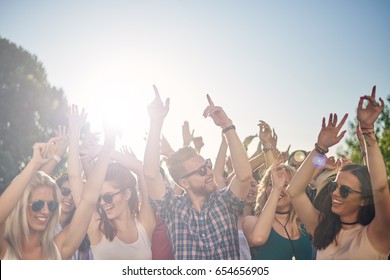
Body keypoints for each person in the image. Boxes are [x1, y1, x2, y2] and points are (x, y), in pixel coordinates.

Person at [143, 85, 252, 259]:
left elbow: (244, 176)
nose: (209, 171)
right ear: (184, 183)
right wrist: (156, 122)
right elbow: (150, 174)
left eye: (207, 165)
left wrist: (227, 125)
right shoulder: (172, 208)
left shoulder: (226, 201)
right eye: (202, 170)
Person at [287, 86, 390, 259]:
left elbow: (380, 188)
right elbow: (294, 192)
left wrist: (368, 132)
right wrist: (320, 148)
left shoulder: (379, 234)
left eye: (344, 190)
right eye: (335, 185)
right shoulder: (322, 226)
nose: (334, 192)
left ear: (364, 200)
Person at [0, 104, 114, 259]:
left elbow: (88, 200)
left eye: (52, 205)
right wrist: (35, 163)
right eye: (38, 204)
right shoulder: (6, 249)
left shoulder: (57, 251)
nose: (46, 211)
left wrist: (107, 143)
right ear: (22, 205)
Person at [243, 164, 312, 260]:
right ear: (264, 189)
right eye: (271, 184)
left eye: (285, 184)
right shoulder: (251, 221)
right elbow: (258, 238)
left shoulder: (305, 225)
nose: (278, 186)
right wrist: (276, 190)